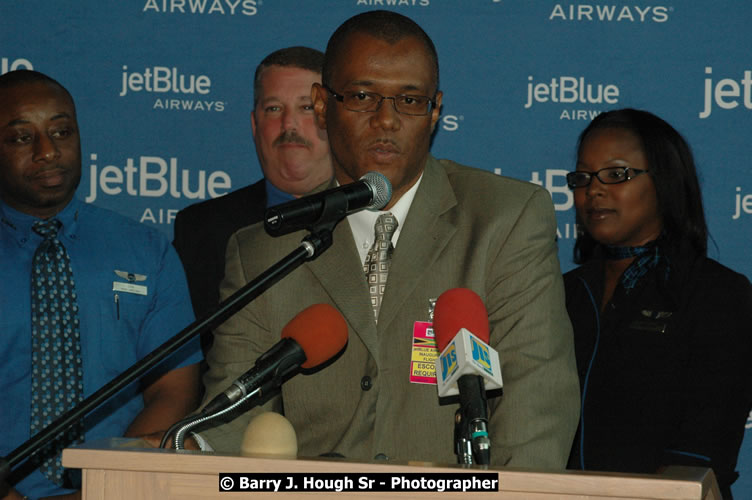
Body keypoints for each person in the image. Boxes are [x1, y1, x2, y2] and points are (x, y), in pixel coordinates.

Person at [198, 10, 579, 468]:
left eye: (410, 101)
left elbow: (535, 416)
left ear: (435, 110)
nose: (387, 120)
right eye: (362, 96)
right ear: (322, 104)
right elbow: (228, 427)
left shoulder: (506, 220)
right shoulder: (263, 250)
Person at [0, 70, 202, 500]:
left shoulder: (145, 249)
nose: (47, 151)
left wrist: (108, 482)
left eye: (61, 131)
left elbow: (173, 386)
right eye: (21, 138)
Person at [564, 108, 752, 498]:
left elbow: (705, 447)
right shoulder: (557, 293)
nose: (594, 190)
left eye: (617, 174)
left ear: (665, 181)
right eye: (583, 177)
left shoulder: (717, 294)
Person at [172, 46, 333, 325]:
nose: (289, 124)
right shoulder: (200, 232)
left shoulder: (376, 222)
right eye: (273, 108)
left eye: (307, 107)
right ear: (254, 125)